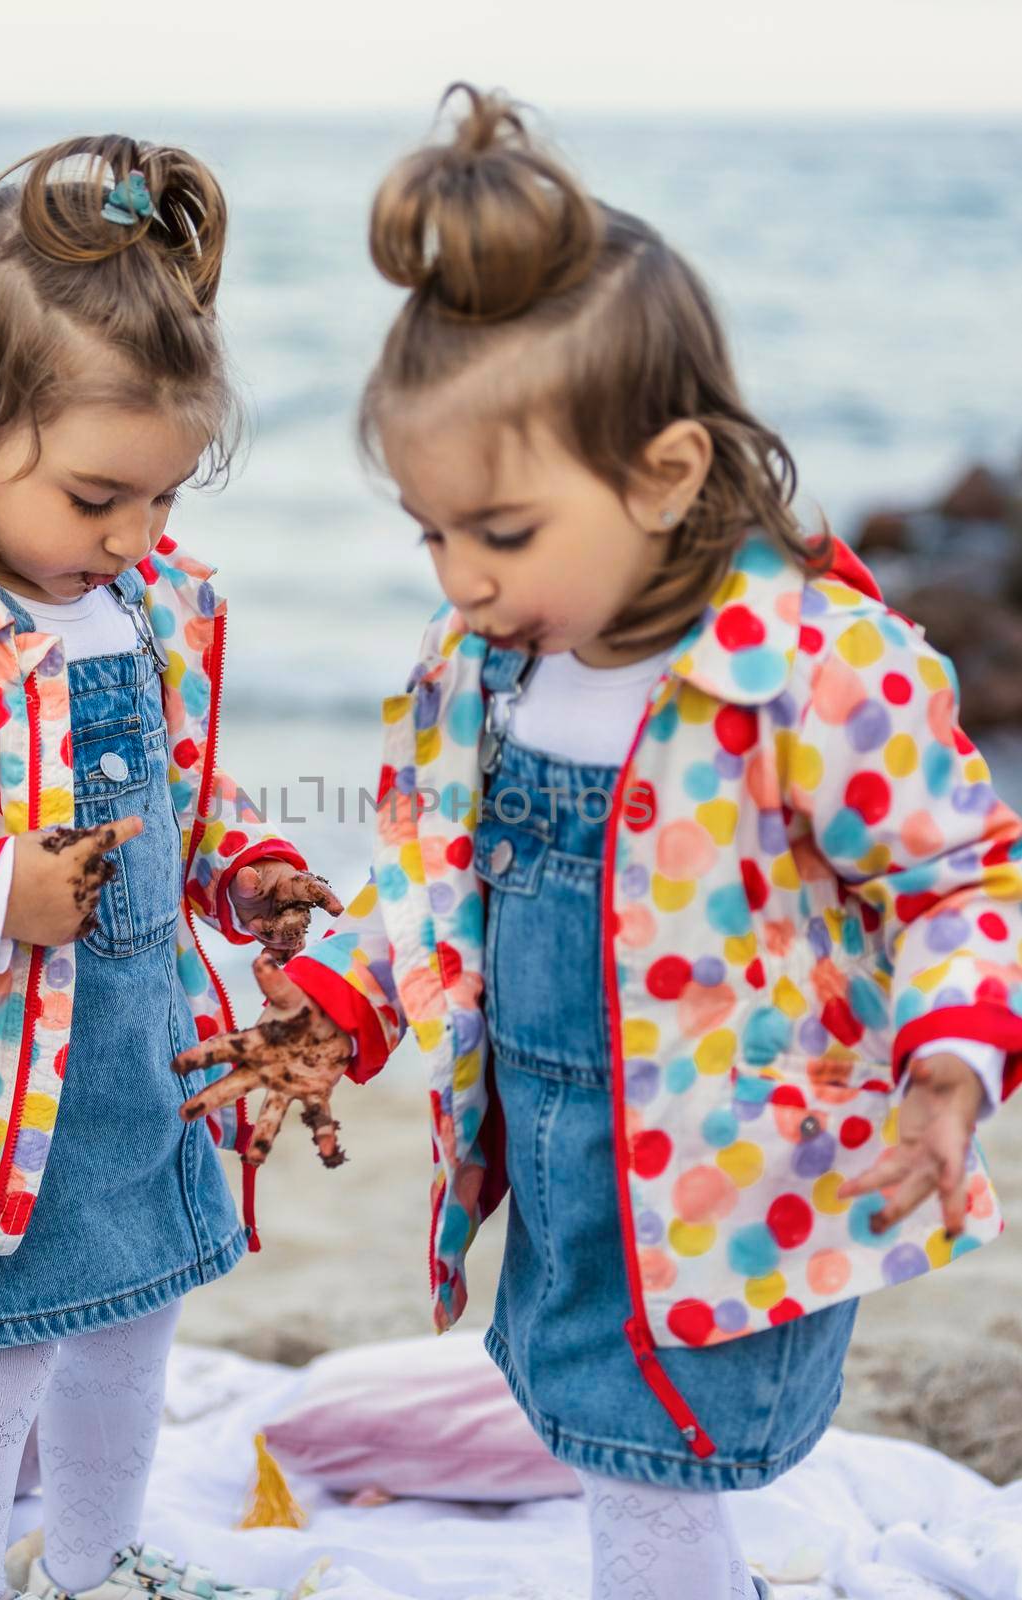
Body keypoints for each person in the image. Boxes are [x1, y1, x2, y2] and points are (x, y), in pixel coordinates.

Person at [173, 87, 1022, 1600]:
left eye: (499, 533)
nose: (461, 577)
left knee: (644, 1468)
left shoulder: (811, 667)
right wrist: (344, 999)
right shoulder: (480, 670)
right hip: (559, 1175)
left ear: (665, 472)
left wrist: (950, 1063)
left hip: (729, 1180)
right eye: (430, 533)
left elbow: (959, 873)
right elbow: (437, 871)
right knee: (591, 1438)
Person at [0, 136, 342, 1600]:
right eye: (98, 497)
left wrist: (245, 876)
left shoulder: (141, 603)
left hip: (132, 1062)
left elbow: (178, 792)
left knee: (134, 1331)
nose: (133, 537)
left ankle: (100, 1564)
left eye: (165, 500)